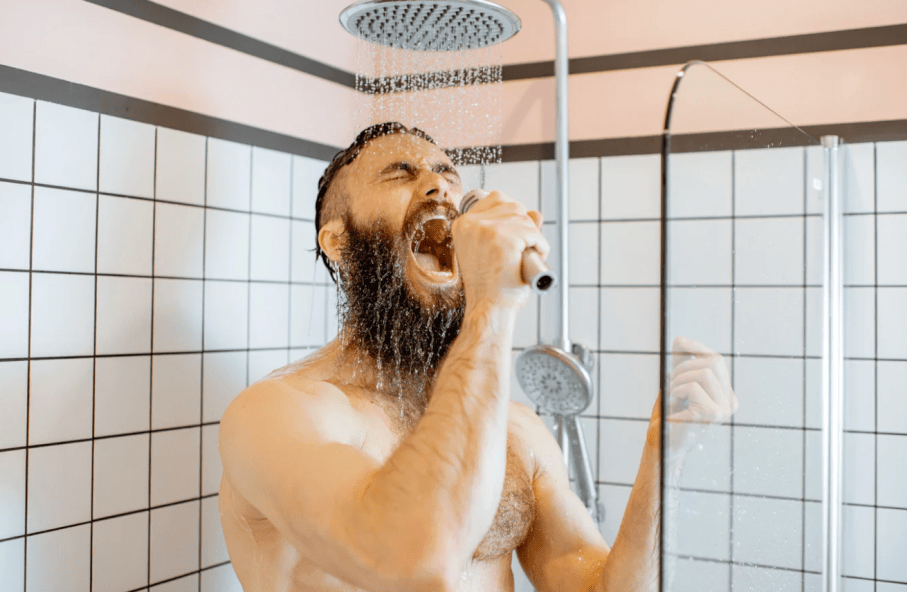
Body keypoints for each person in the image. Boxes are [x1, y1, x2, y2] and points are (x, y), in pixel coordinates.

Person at [217, 122, 738, 592]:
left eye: (447, 171)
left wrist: (664, 454)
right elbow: (412, 560)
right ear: (337, 241)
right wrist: (493, 302)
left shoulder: (514, 432)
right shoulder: (279, 413)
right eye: (401, 173)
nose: (437, 184)